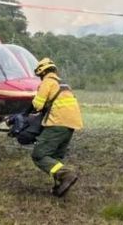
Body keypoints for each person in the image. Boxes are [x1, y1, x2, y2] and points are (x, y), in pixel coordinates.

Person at [31, 57, 83, 197]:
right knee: (55, 157)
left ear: (42, 72)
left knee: (39, 155)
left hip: (57, 122)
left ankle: (66, 175)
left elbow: (37, 105)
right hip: (72, 124)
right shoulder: (64, 84)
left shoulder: (47, 82)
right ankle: (59, 187)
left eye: (40, 75)